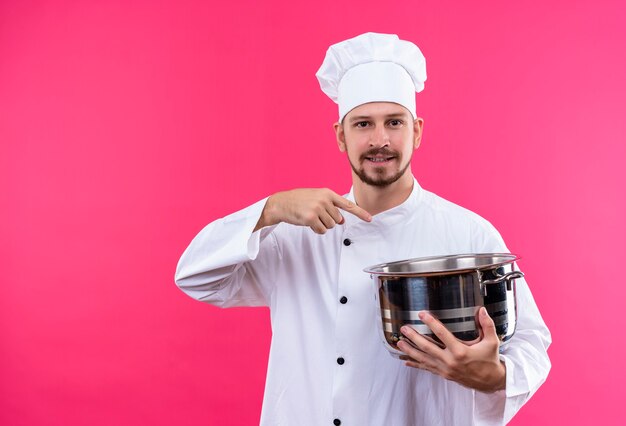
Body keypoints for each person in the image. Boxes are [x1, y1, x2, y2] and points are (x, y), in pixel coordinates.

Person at [175, 32, 551, 425]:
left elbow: (531, 344)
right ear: (341, 136)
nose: (379, 140)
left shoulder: (468, 234)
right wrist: (271, 209)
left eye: (394, 122)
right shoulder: (295, 234)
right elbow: (196, 277)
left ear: (417, 131)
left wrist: (495, 377)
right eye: (362, 124)